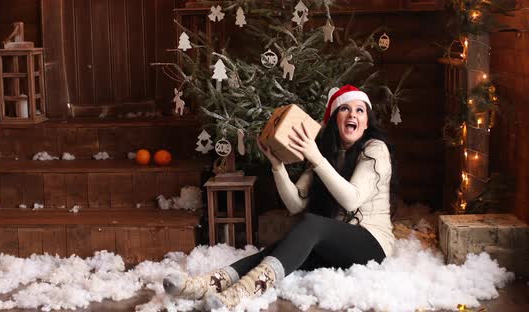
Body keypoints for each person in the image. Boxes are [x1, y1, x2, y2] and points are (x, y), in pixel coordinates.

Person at [162, 85, 396, 309]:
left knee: (312, 225)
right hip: (339, 246)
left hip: (372, 244)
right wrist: (278, 167)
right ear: (335, 118)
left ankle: (242, 292)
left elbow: (351, 200)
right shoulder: (326, 154)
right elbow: (295, 205)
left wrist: (316, 159)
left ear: (366, 122)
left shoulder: (375, 149)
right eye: (345, 109)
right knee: (276, 250)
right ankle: (206, 285)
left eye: (359, 110)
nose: (352, 114)